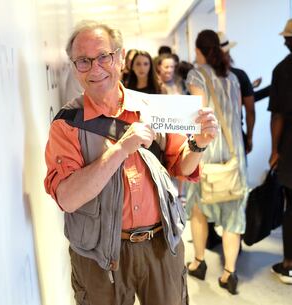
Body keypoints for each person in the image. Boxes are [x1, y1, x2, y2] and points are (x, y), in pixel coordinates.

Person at [44, 20, 218, 305]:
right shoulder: (67, 124)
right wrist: (121, 149)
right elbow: (68, 198)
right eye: (84, 61)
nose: (96, 68)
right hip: (100, 254)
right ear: (75, 68)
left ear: (120, 57)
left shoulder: (151, 107)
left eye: (104, 56)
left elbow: (181, 167)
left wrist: (199, 143)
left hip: (161, 245)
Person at [185, 30, 247, 295]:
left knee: (199, 209)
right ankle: (229, 273)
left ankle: (199, 263)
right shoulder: (233, 77)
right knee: (233, 214)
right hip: (234, 156)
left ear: (199, 50)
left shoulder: (196, 75)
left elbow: (200, 114)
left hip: (208, 153)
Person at [268, 18, 292, 285]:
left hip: (290, 148)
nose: (284, 40)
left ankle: (289, 264)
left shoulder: (283, 70)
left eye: (287, 37)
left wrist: (274, 150)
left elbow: (278, 116)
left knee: (291, 206)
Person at [217, 32, 255, 154]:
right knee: (239, 172)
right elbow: (251, 111)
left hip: (211, 138)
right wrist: (249, 138)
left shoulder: (202, 79)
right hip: (236, 135)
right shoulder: (240, 75)